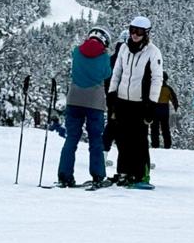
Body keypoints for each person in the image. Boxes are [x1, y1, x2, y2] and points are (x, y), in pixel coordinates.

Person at [108, 16, 163, 186]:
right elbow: (117, 72)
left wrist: (152, 103)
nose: (135, 34)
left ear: (146, 33)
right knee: (122, 138)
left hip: (141, 102)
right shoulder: (124, 49)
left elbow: (157, 78)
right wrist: (112, 92)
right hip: (123, 99)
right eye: (132, 30)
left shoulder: (153, 52)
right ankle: (124, 172)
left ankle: (141, 175)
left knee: (139, 139)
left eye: (139, 31)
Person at [56, 26, 113, 187]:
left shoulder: (76, 51)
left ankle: (64, 175)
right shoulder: (104, 56)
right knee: (95, 140)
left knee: (71, 139)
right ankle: (98, 175)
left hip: (74, 99)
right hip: (95, 102)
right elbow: (107, 74)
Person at [103, 29, 127, 159]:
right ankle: (125, 160)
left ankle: (104, 154)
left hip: (110, 97)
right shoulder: (128, 59)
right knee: (125, 129)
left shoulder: (111, 59)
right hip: (125, 98)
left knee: (111, 126)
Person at [151, 74, 179, 149]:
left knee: (154, 129)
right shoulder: (168, 88)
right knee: (165, 129)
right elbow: (174, 99)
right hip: (164, 110)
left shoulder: (153, 87)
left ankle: (155, 144)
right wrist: (176, 106)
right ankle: (167, 145)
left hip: (155, 110)